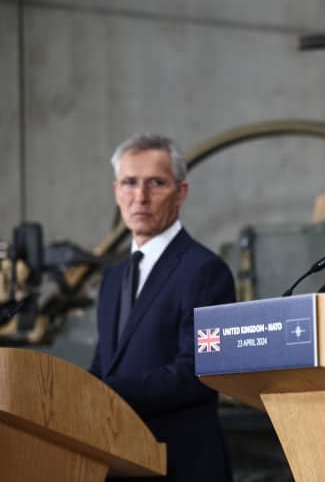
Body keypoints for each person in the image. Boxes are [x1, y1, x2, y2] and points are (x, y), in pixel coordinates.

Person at [89, 133, 235, 482]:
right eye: (129, 183)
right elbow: (103, 365)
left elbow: (197, 373)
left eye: (156, 183)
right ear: (116, 192)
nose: (140, 197)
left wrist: (105, 393)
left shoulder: (205, 271)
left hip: (182, 465)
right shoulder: (113, 280)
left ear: (180, 192)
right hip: (119, 461)